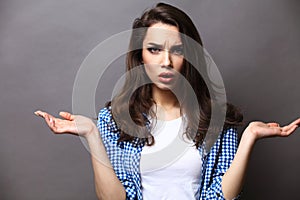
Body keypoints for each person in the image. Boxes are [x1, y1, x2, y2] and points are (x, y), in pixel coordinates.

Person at [34, 3, 300, 200]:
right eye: (154, 49)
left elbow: (220, 197)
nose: (166, 62)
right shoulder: (115, 120)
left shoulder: (217, 120)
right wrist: (92, 133)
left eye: (177, 51)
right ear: (140, 56)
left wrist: (250, 136)